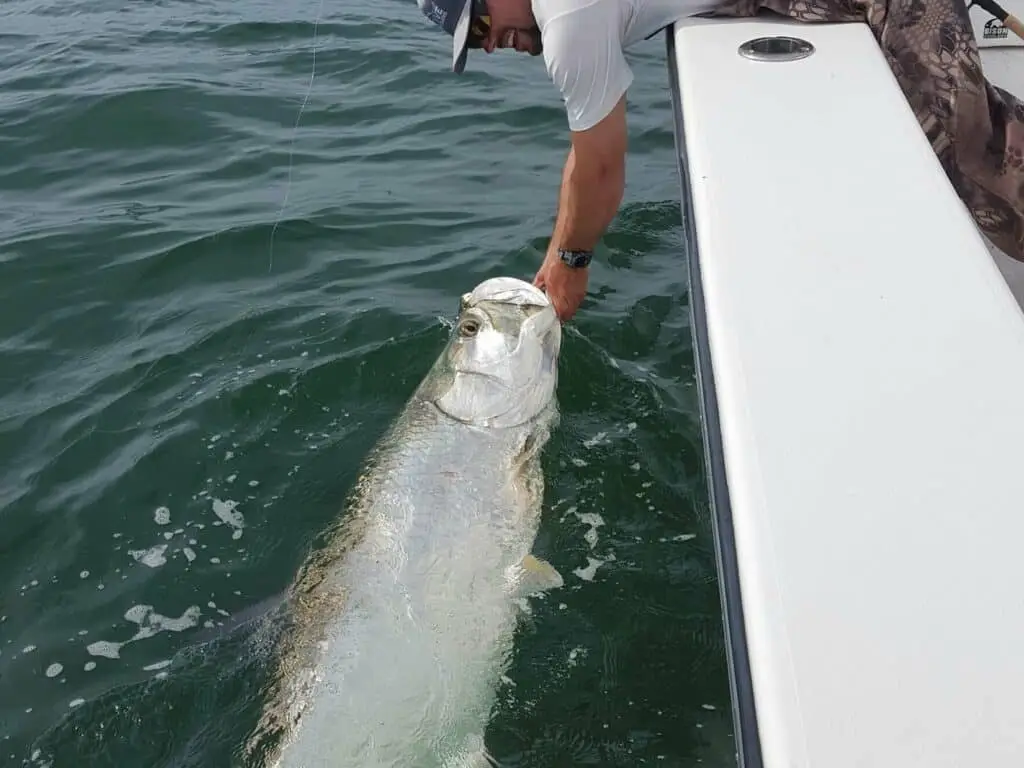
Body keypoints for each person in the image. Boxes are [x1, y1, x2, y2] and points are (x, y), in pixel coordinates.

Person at [416, 0, 1024, 321]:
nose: (492, 43)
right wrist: (553, 258)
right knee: (975, 125)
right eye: (477, 43)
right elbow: (584, 153)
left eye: (481, 26)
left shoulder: (570, 18)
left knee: (972, 160)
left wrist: (574, 263)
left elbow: (601, 169)